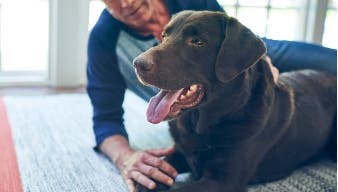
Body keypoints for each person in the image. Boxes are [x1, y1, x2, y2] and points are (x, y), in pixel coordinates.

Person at [86, 0, 337, 191]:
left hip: (240, 57)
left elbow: (228, 35)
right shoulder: (104, 38)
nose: (126, 2)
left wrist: (263, 63)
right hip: (191, 81)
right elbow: (105, 119)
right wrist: (127, 159)